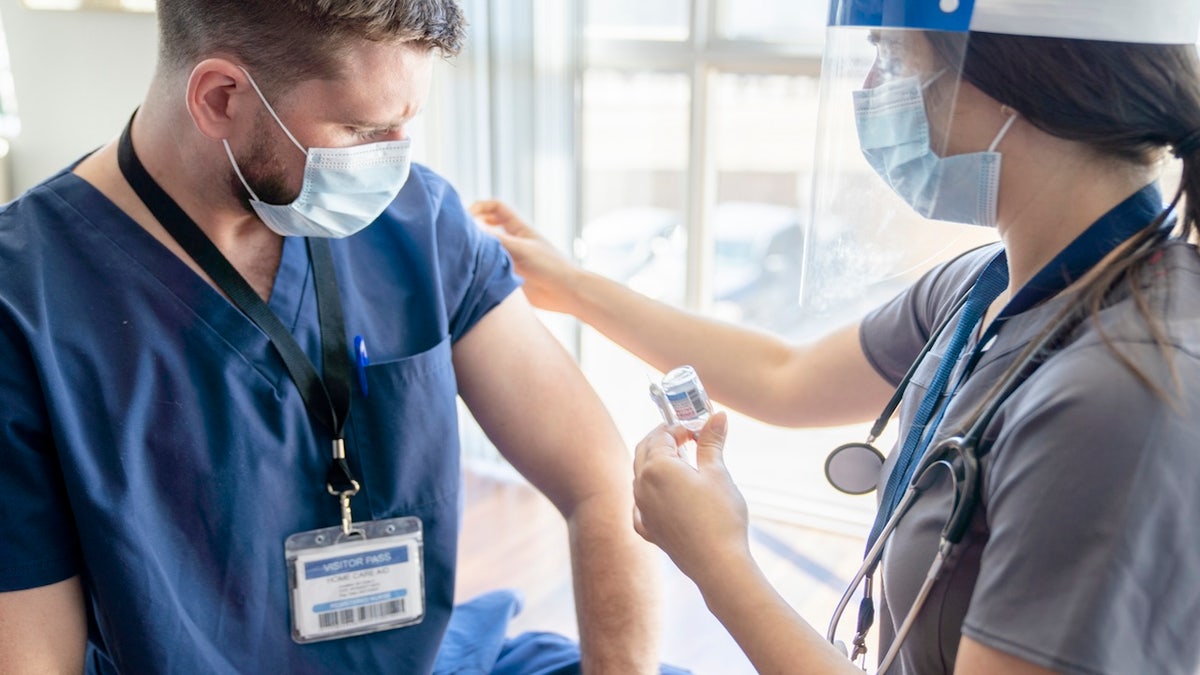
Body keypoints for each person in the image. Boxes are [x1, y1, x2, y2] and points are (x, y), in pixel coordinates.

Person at [471, 0, 1200, 672]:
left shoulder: (1119, 396)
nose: (877, 85)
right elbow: (782, 374)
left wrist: (719, 561)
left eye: (894, 55)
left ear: (1009, 75)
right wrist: (568, 285)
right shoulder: (988, 286)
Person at [0, 1, 675, 673]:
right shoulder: (25, 306)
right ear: (220, 97)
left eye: (406, 125)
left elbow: (602, 483)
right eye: (362, 129)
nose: (394, 162)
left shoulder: (420, 224)